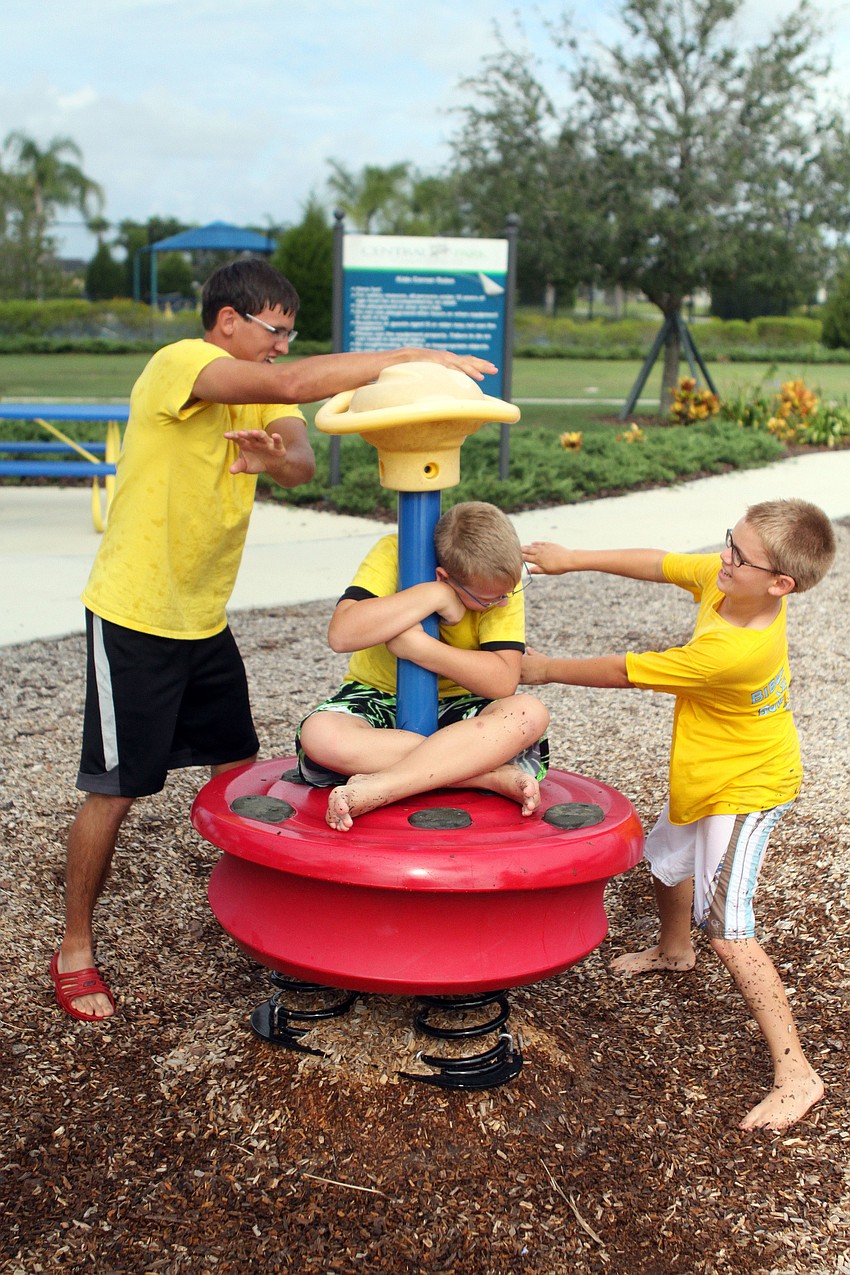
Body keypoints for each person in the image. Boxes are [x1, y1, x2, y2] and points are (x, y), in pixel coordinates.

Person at [52, 257, 497, 1022]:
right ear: (228, 321)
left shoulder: (254, 387)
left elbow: (296, 456)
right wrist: (410, 356)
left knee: (241, 767)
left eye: (291, 335)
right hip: (135, 617)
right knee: (117, 787)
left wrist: (272, 455)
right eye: (274, 332)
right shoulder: (182, 365)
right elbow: (293, 390)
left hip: (203, 620)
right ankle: (75, 946)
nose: (282, 348)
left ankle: (264, 916)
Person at [519, 499, 836, 1132]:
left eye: (739, 556)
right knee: (663, 862)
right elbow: (662, 564)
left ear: (781, 583)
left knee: (729, 924)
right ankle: (673, 950)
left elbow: (624, 672)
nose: (724, 557)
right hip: (708, 770)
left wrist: (543, 669)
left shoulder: (732, 654)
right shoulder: (731, 584)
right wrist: (573, 559)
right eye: (729, 541)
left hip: (748, 786)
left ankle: (798, 1075)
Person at [296, 500, 551, 831]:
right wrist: (433, 596)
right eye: (489, 600)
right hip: (377, 696)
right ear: (444, 576)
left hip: (465, 706)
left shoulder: (501, 582)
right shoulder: (394, 552)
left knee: (529, 713)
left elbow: (502, 681)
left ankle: (383, 787)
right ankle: (483, 772)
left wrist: (421, 649)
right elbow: (341, 635)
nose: (502, 602)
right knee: (321, 735)